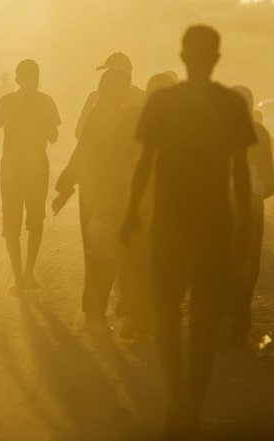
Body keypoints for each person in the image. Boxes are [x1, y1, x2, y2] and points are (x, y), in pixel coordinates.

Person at [121, 26, 255, 436]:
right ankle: (190, 402)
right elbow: (239, 173)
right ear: (216, 56)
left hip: (170, 224)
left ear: (183, 55)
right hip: (212, 226)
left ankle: (179, 394)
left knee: (166, 315)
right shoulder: (231, 104)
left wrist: (131, 211)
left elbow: (145, 162)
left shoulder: (163, 102)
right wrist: (244, 226)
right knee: (202, 320)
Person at [53, 68, 132, 328]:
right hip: (100, 193)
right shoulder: (102, 117)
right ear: (110, 89)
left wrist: (66, 186)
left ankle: (96, 310)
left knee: (105, 250)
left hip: (109, 192)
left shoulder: (120, 116)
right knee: (100, 251)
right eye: (122, 85)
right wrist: (65, 186)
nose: (125, 90)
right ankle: (95, 311)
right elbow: (83, 153)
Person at [0, 59, 61, 291]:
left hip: (17, 170)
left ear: (17, 79)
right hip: (29, 170)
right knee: (33, 222)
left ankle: (21, 276)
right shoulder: (44, 102)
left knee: (16, 223)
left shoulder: (9, 102)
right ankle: (25, 274)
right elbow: (54, 137)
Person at [116, 73, 177, 340]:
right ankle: (134, 315)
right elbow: (116, 157)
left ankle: (150, 317)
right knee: (134, 258)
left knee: (161, 259)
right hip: (137, 197)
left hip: (169, 200)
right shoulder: (131, 118)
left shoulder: (184, 123)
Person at [227, 85, 274, 348]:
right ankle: (238, 325)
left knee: (229, 263)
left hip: (230, 207)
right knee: (246, 264)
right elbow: (270, 178)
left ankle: (228, 321)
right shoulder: (259, 133)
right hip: (249, 207)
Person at [75, 52, 144, 140]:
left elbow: (80, 132)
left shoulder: (141, 97)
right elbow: (79, 132)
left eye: (109, 71)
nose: (105, 76)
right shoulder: (143, 96)